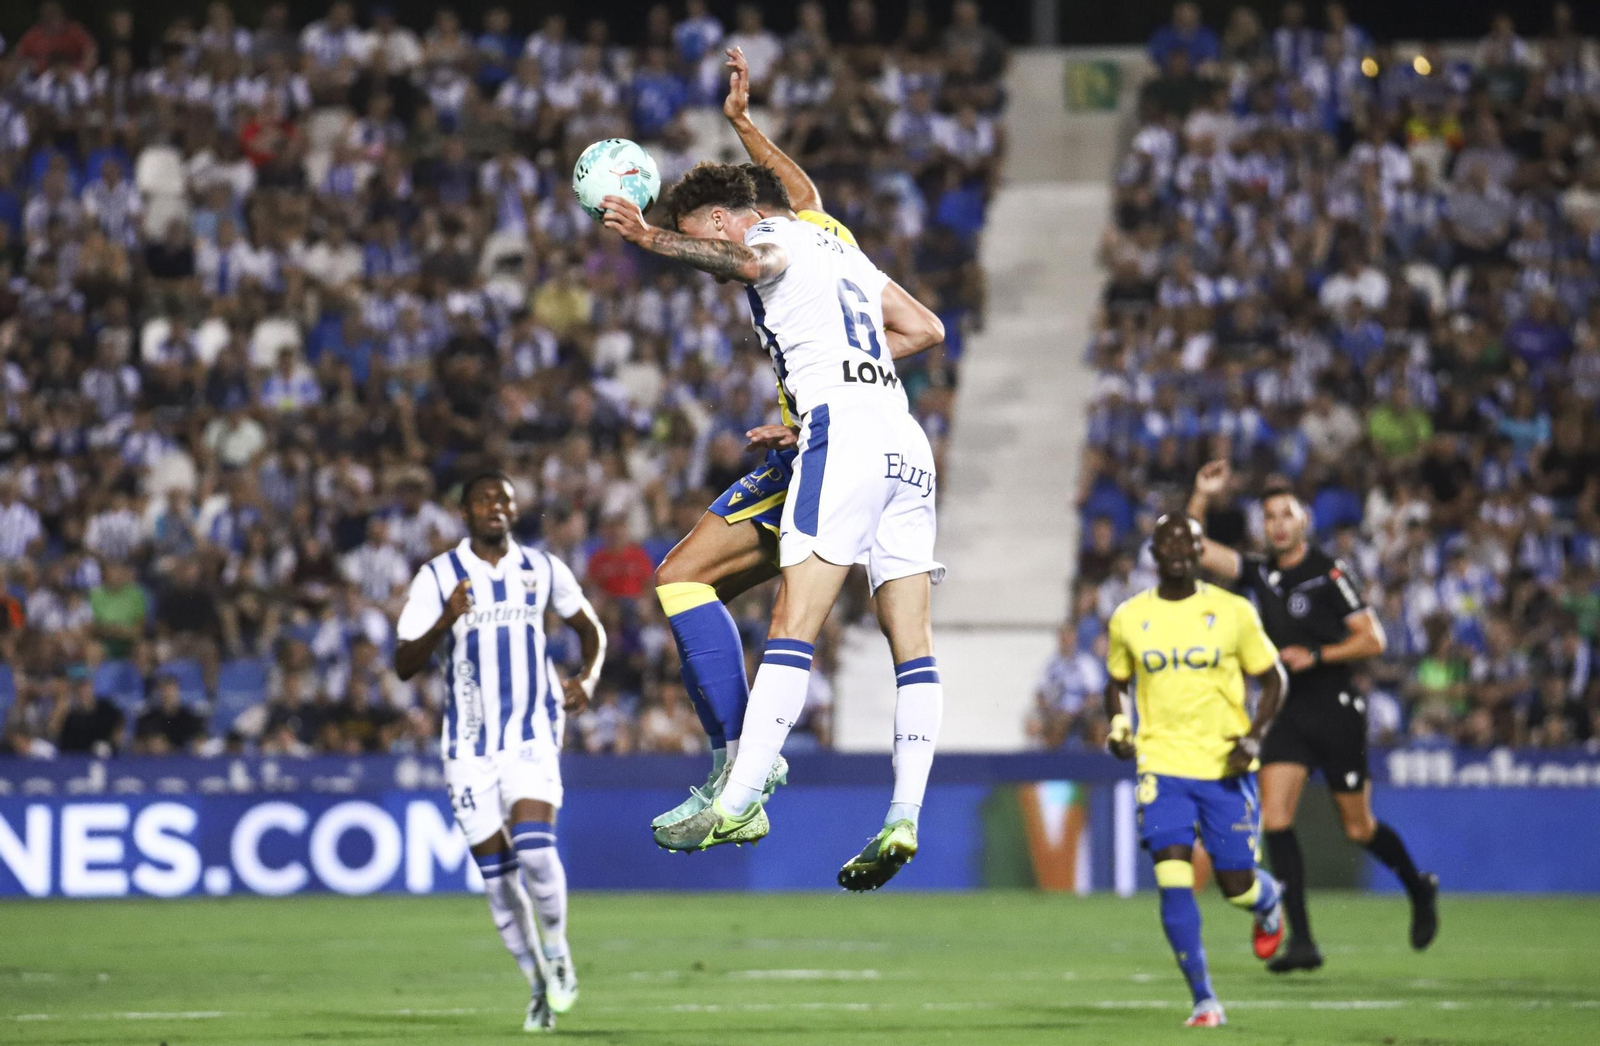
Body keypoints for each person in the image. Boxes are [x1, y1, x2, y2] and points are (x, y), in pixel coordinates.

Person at [602, 159, 945, 891]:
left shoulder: (769, 240)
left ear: (725, 219)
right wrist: (745, 122)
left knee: (793, 620)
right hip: (905, 442)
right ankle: (905, 813)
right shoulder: (833, 238)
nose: (714, 264)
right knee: (911, 643)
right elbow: (924, 327)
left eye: (704, 237)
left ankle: (737, 793)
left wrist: (651, 237)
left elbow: (748, 257)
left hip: (842, 438)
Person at [1189, 460, 1440, 972]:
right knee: (1275, 820)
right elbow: (1190, 547)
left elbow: (1374, 638)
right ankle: (1302, 941)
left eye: (1287, 514)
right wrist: (1200, 496)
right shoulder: (1258, 572)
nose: (1278, 523)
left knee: (1358, 827)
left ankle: (1418, 886)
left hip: (1335, 707)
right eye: (1270, 516)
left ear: (1303, 520)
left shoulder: (1329, 571)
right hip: (1285, 711)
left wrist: (1318, 656)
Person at [393, 472, 606, 1032]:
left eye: (504, 499)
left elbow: (591, 628)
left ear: (515, 510)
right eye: (483, 498)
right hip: (467, 747)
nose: (495, 506)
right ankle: (537, 986)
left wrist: (589, 676)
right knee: (498, 879)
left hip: (532, 731)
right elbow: (403, 663)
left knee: (536, 852)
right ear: (464, 512)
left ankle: (557, 952)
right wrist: (446, 618)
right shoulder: (437, 577)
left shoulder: (541, 568)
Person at [1103, 513, 1289, 1027]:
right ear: (1155, 554)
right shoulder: (1128, 618)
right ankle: (1204, 999)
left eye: (1189, 543)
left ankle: (1269, 898)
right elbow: (1116, 681)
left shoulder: (1232, 611)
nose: (1180, 552)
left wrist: (1253, 737)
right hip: (1161, 767)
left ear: (1201, 550)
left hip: (1224, 764)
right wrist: (1119, 724)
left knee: (1237, 887)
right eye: (1169, 544)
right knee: (1172, 878)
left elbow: (1274, 680)